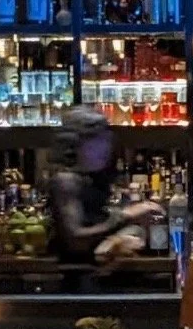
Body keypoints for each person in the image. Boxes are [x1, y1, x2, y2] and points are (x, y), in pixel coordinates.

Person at [48, 107, 161, 281]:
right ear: (75, 144)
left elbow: (98, 231)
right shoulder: (65, 181)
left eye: (106, 141)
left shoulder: (93, 179)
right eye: (96, 142)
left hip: (97, 277)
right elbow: (76, 240)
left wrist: (119, 240)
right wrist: (126, 216)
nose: (104, 148)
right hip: (77, 283)